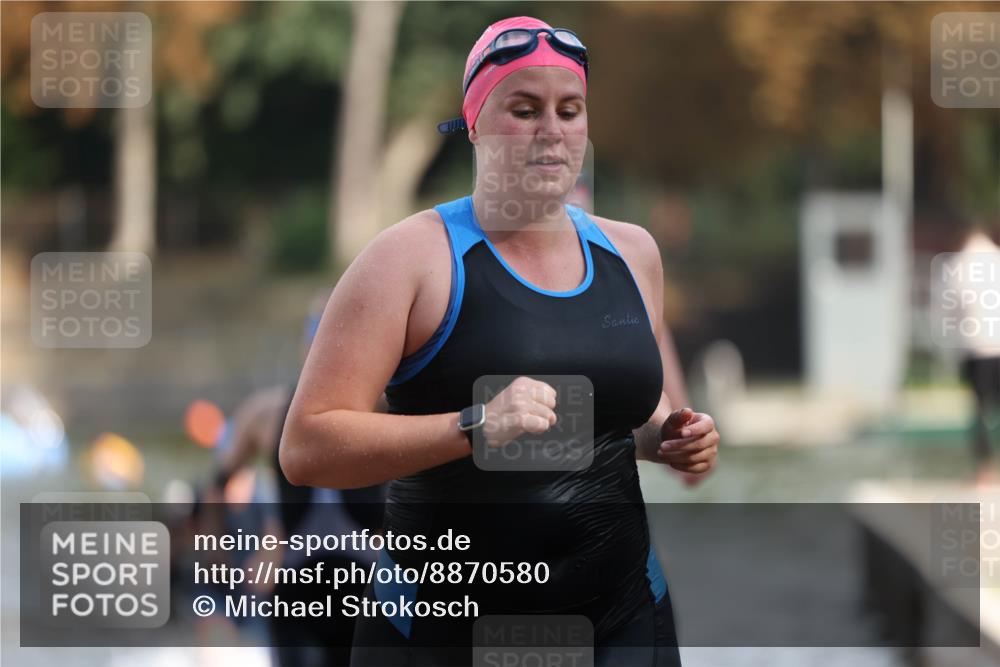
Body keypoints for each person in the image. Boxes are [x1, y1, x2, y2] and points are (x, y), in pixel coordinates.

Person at [280, 16, 720, 667]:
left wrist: (672, 439)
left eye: (570, 110)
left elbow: (601, 423)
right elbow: (307, 446)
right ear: (476, 121)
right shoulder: (410, 259)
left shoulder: (633, 253)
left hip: (619, 620)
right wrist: (474, 426)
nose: (552, 129)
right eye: (525, 108)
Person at [212, 294, 387, 666]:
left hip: (366, 566)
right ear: (305, 347)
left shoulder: (383, 405)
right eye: (318, 341)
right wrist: (228, 557)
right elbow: (220, 482)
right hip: (293, 565)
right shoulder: (266, 413)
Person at [948, 222, 1000, 486]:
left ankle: (986, 470)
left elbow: (954, 309)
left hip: (977, 346)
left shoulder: (959, 265)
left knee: (980, 410)